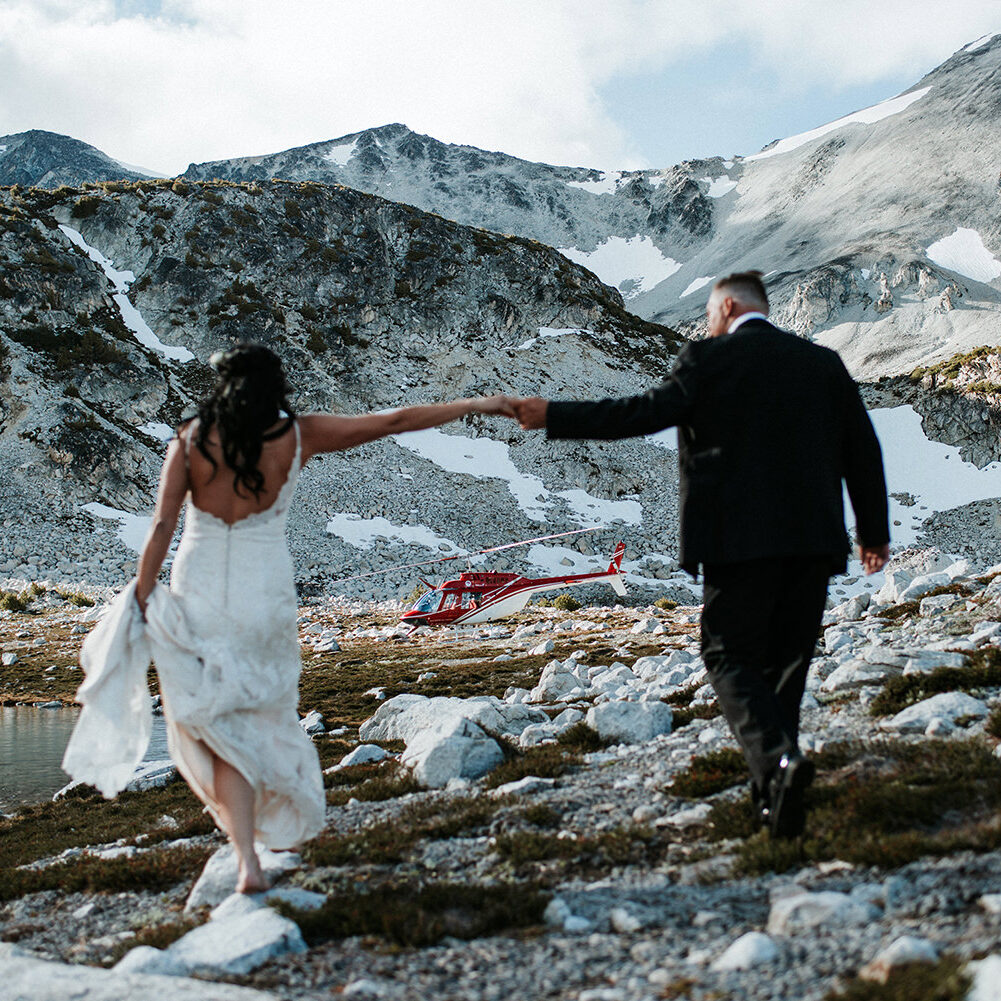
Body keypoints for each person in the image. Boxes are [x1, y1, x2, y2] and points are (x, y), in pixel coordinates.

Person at [68, 343, 514, 892]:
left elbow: (161, 528)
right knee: (269, 716)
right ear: (274, 387)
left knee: (218, 726)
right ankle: (286, 832)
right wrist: (478, 403)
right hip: (265, 594)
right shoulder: (296, 436)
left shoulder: (188, 441)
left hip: (200, 590)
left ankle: (247, 861)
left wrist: (139, 598)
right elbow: (394, 420)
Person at [511, 272, 889, 839]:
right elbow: (862, 448)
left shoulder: (707, 361)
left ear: (729, 306)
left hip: (737, 542)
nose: (707, 323)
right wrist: (873, 534)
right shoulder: (822, 363)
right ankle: (777, 799)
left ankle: (780, 766)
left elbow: (638, 414)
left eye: (711, 313)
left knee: (727, 655)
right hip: (813, 542)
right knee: (787, 667)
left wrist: (553, 415)